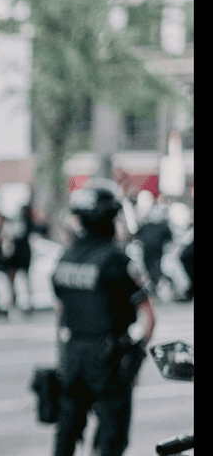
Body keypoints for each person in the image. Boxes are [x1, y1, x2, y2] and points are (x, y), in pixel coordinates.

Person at [51, 179, 156, 456]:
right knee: (111, 439)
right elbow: (149, 316)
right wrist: (136, 355)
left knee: (67, 433)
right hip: (108, 359)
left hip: (73, 356)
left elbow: (60, 311)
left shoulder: (66, 257)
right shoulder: (116, 260)